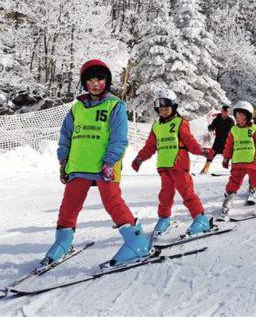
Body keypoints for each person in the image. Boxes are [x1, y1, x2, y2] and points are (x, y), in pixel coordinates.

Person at [44, 59, 150, 268]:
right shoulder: (77, 108)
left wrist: (110, 161)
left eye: (99, 79)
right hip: (78, 166)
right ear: (84, 83)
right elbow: (65, 136)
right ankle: (63, 241)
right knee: (69, 206)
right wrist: (63, 161)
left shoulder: (115, 106)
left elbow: (119, 138)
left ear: (106, 81)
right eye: (90, 80)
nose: (95, 84)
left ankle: (136, 240)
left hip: (104, 166)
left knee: (113, 203)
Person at [131, 88, 213, 236]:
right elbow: (150, 146)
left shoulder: (180, 122)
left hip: (179, 165)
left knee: (187, 192)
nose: (163, 111)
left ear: (173, 107)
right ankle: (164, 219)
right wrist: (140, 158)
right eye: (160, 108)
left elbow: (190, 142)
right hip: (164, 167)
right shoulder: (156, 126)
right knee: (165, 196)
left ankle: (201, 219)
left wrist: (203, 151)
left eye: (166, 108)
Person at [219, 101, 256, 218]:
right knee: (233, 181)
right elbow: (229, 145)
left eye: (243, 116)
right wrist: (226, 158)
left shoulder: (255, 129)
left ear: (249, 116)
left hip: (252, 161)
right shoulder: (233, 130)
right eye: (237, 116)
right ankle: (229, 197)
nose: (240, 119)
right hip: (237, 162)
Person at [200, 105, 234, 174]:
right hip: (218, 140)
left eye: (227, 112)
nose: (226, 113)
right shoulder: (217, 119)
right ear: (222, 111)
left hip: (227, 141)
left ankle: (235, 170)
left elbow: (234, 131)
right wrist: (210, 127)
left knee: (232, 155)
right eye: (224, 112)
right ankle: (205, 170)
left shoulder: (230, 120)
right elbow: (212, 127)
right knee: (211, 154)